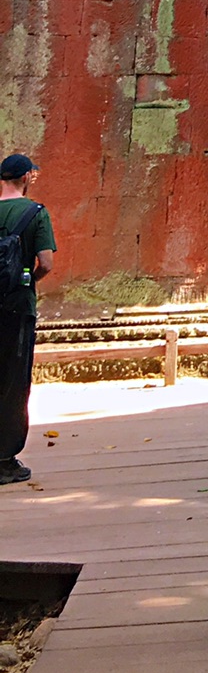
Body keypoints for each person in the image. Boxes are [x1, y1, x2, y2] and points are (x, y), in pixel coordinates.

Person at [0, 155, 55, 486]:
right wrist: (28, 280)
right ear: (27, 178)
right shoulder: (35, 213)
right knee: (13, 383)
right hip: (18, 308)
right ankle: (5, 460)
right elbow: (46, 263)